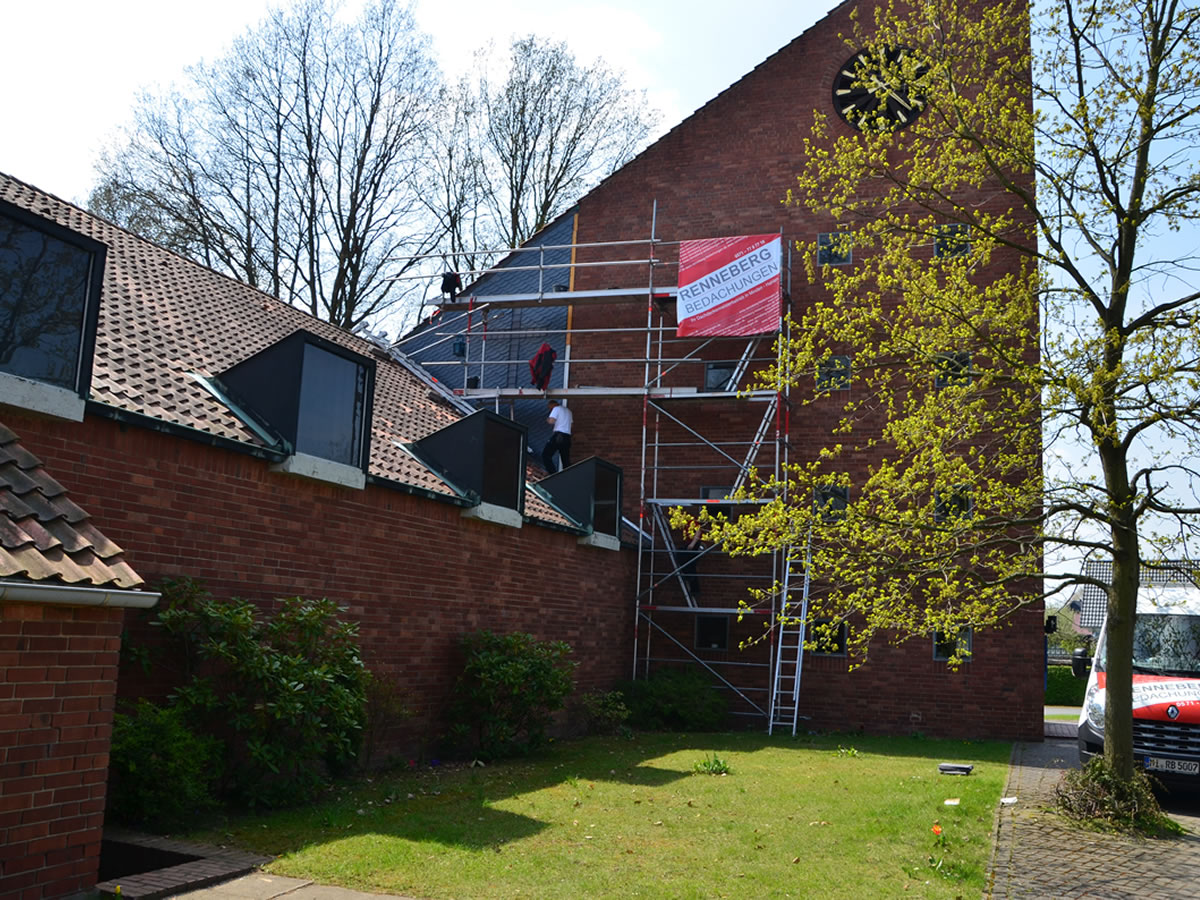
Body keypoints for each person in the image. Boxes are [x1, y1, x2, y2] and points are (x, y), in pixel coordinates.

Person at [542, 400, 573, 472]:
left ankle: (552, 474)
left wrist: (548, 419)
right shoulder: (569, 411)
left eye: (550, 408)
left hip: (559, 435)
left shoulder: (556, 408)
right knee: (565, 460)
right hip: (567, 437)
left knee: (546, 455)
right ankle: (567, 476)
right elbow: (571, 425)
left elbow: (551, 421)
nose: (550, 410)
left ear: (552, 405)